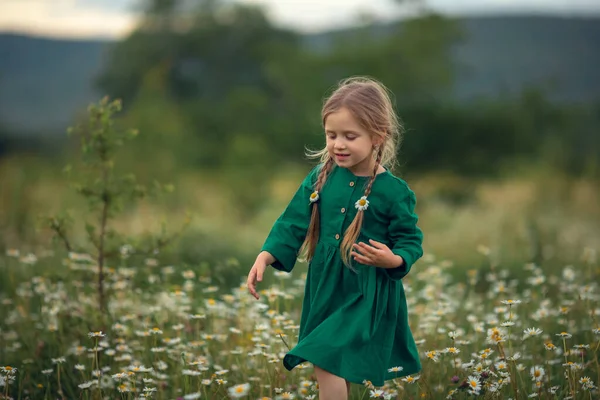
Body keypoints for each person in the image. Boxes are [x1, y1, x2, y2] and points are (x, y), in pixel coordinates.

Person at [246, 76, 424, 400]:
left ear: (377, 136)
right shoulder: (321, 176)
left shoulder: (394, 192)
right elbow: (292, 221)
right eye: (332, 135)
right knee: (333, 363)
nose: (338, 144)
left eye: (349, 136)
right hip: (325, 287)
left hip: (365, 292)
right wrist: (266, 255)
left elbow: (410, 240)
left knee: (325, 359)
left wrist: (394, 259)